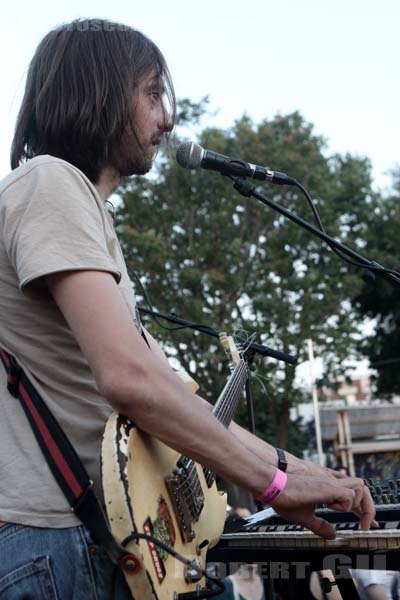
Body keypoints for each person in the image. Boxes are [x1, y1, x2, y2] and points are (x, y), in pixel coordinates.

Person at [0, 18, 376, 599]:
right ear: (100, 91)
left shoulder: (81, 212)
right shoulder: (49, 183)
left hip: (97, 542)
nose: (167, 119)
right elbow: (129, 380)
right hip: (59, 543)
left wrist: (304, 473)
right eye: (152, 94)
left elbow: (174, 397)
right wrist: (273, 485)